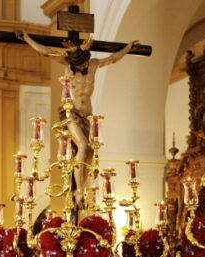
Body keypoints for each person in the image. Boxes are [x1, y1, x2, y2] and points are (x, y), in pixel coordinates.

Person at [15, 28, 139, 207]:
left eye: (84, 64)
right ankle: (78, 190)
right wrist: (26, 38)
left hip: (87, 115)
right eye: (79, 65)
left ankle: (83, 189)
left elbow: (112, 58)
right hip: (70, 113)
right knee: (82, 145)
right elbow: (44, 51)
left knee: (89, 152)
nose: (83, 67)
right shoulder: (67, 65)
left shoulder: (94, 64)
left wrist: (127, 48)